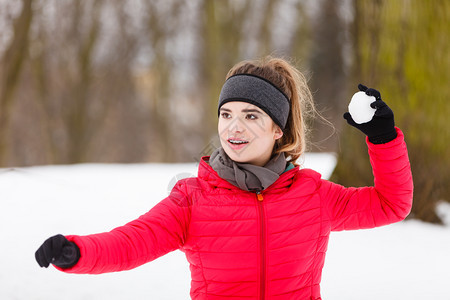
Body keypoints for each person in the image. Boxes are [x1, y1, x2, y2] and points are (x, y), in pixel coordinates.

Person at [35, 56, 413, 299]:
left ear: (278, 129)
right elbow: (133, 242)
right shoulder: (192, 199)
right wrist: (77, 251)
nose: (234, 127)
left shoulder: (312, 195)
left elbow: (390, 204)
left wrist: (382, 138)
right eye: (226, 114)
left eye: (251, 116)